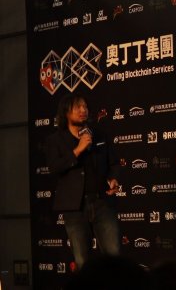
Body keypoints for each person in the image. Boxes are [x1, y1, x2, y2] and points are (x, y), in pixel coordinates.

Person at [43, 93, 121, 270]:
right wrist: (77, 150)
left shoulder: (99, 135)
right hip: (74, 209)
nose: (83, 110)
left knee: (114, 258)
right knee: (82, 262)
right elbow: (54, 167)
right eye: (77, 107)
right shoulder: (55, 140)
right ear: (66, 112)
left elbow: (114, 163)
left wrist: (114, 178)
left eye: (85, 106)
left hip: (102, 203)